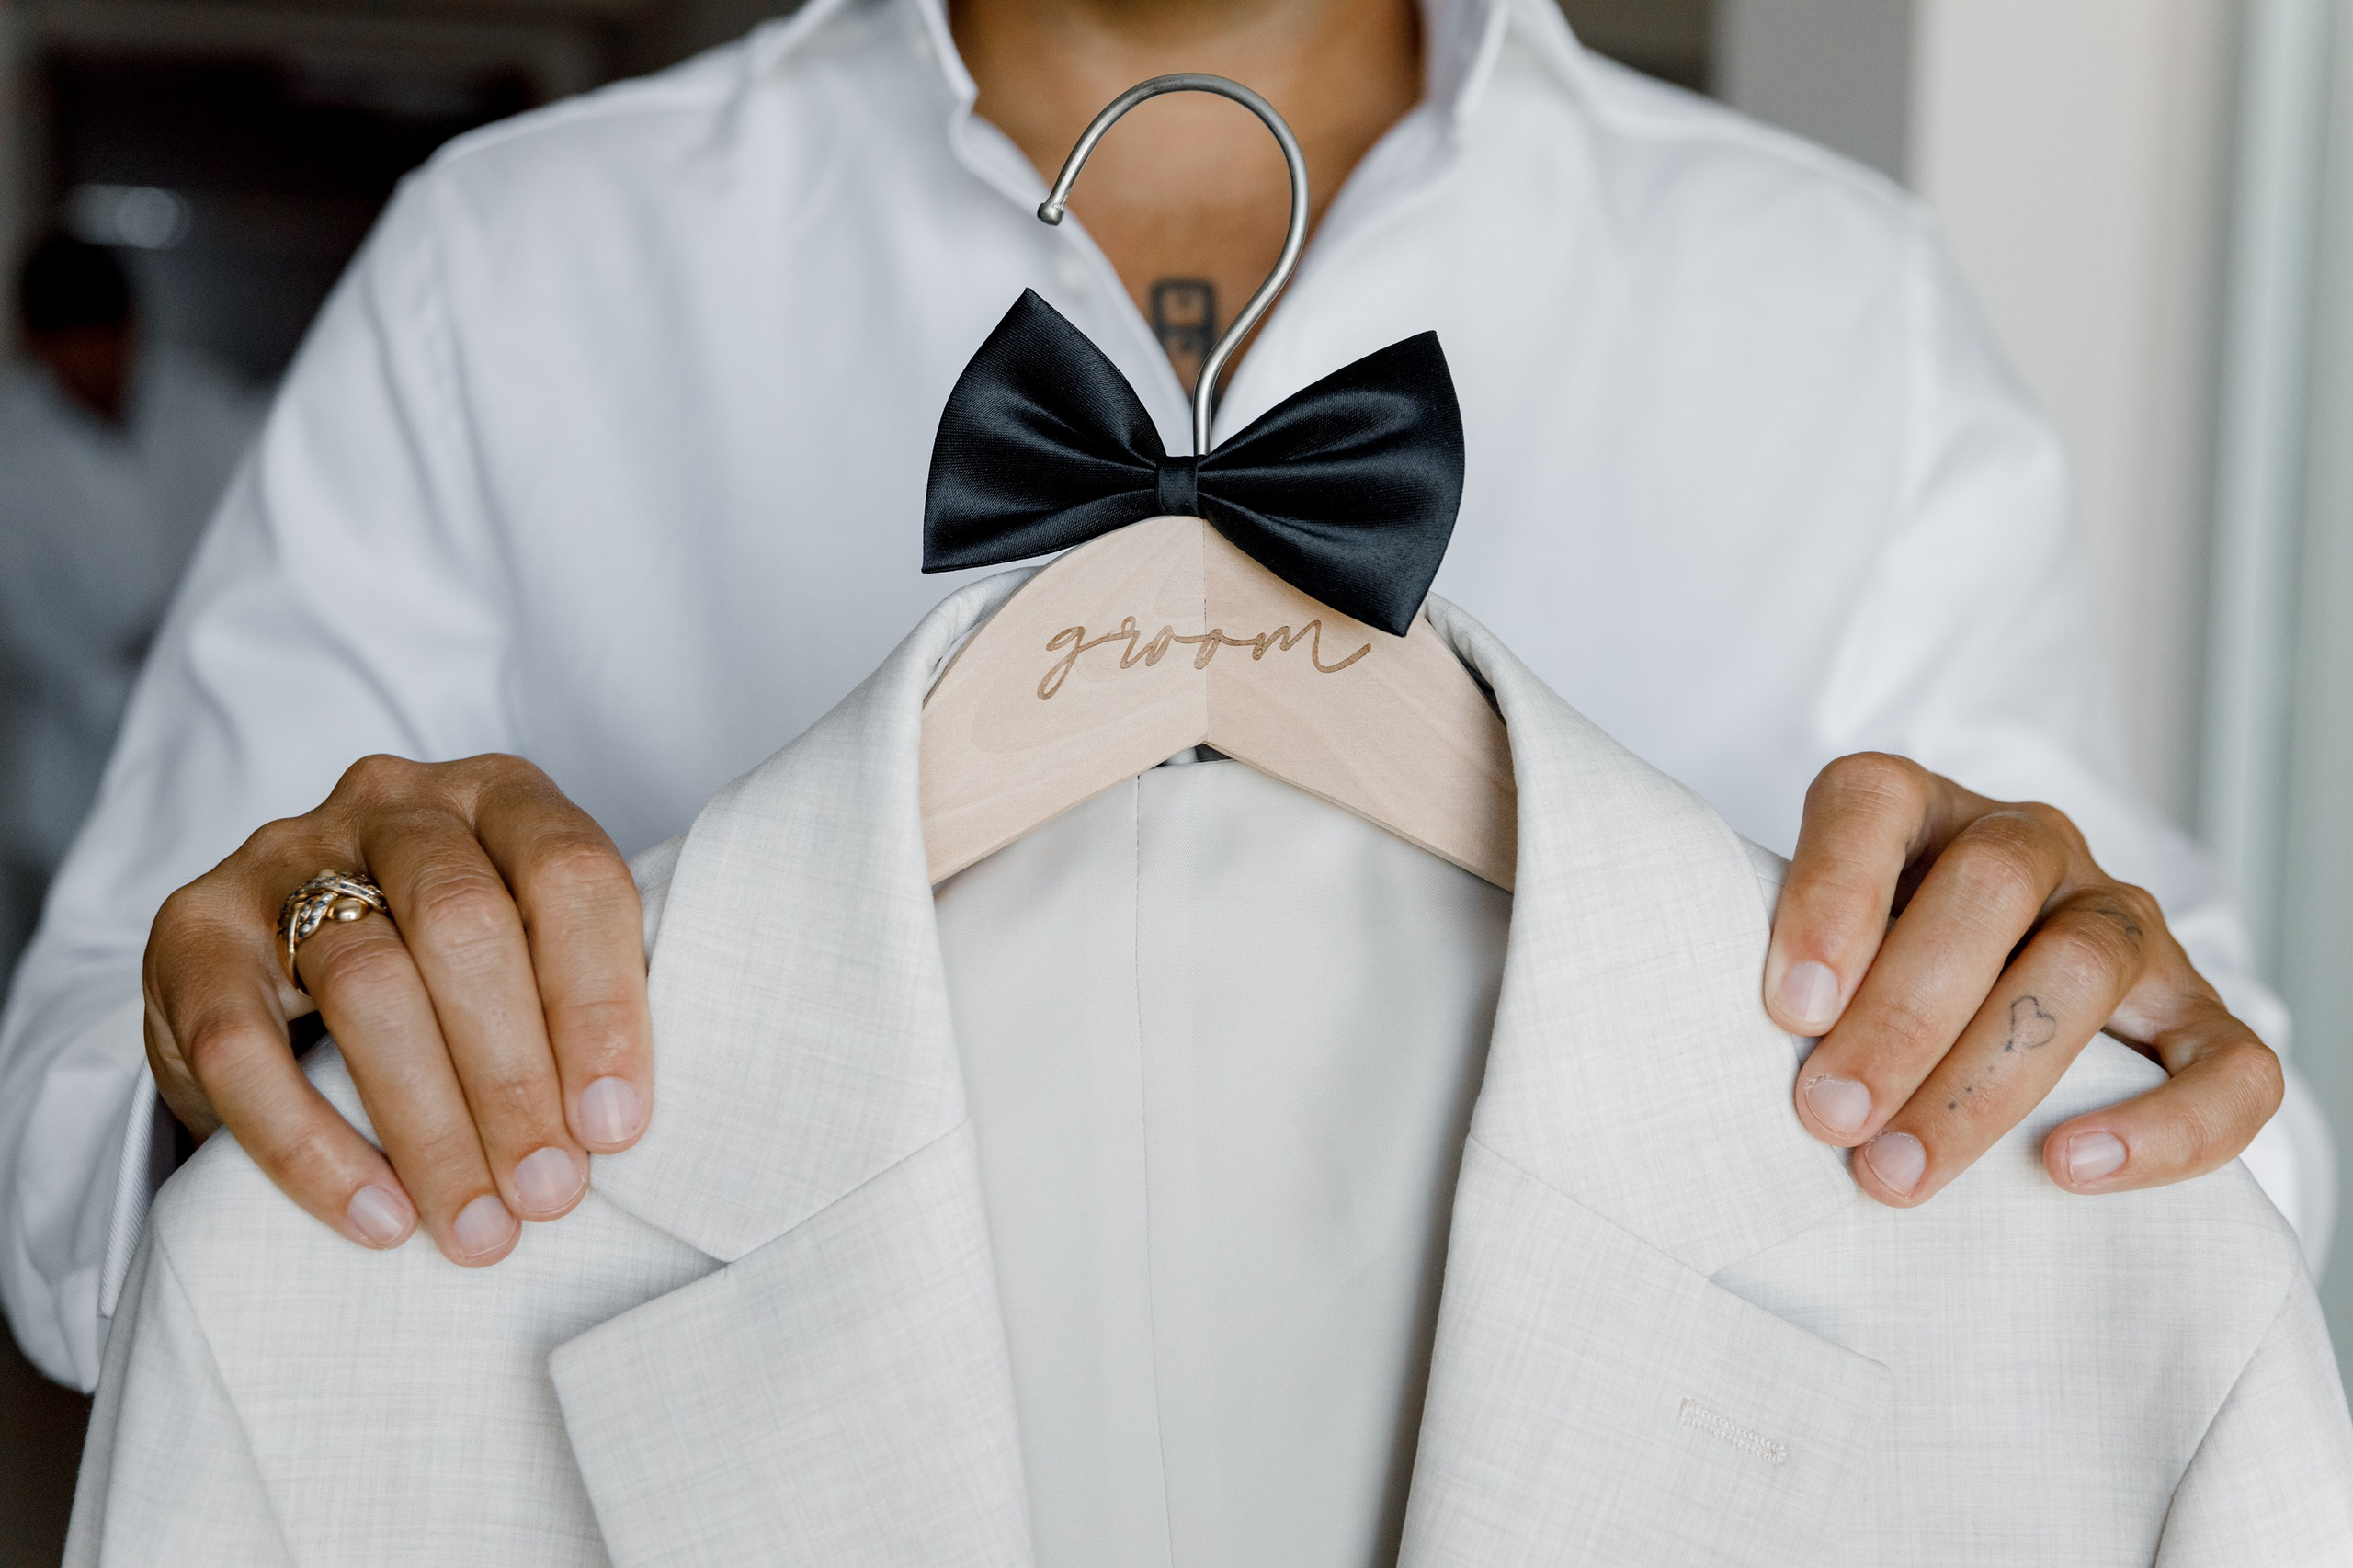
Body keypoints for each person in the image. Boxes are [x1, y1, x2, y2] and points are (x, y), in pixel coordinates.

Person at [0, 0, 2319, 1399]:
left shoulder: (1842, 309)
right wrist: (261, 1044)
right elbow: (73, 1203)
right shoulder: (504, 266)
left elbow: (2222, 1161)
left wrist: (2088, 1027)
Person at [0, 234, 263, 975]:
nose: (96, 363)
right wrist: (145, 653)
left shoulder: (205, 407)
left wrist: (188, 635)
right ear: (36, 344)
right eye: (74, 345)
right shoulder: (12, 447)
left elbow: (257, 532)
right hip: (73, 778)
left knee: (208, 964)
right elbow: (29, 616)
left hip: (214, 746)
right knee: (80, 984)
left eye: (109, 339)